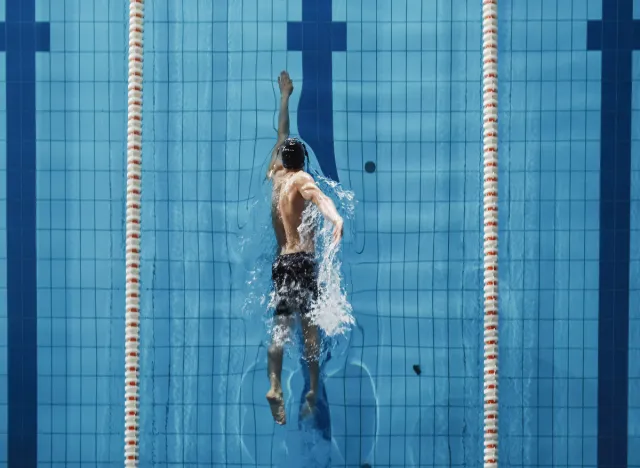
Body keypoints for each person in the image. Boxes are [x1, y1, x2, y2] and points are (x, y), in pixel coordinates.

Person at [264, 71, 344, 425]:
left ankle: (274, 385)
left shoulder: (277, 176)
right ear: (303, 163)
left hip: (281, 263)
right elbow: (321, 198)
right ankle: (312, 387)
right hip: (302, 262)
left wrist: (285, 96)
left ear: (282, 159)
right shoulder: (302, 179)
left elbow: (281, 133)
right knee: (310, 329)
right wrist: (335, 218)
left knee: (281, 327)